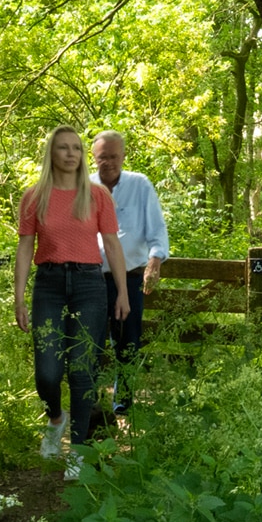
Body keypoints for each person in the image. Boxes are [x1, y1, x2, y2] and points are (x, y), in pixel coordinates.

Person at [11, 126, 127, 463]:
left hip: (90, 284)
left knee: (82, 370)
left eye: (76, 148)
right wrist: (18, 298)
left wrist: (122, 292)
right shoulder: (34, 197)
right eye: (63, 148)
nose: (71, 154)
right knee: (47, 372)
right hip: (49, 284)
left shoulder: (97, 195)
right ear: (52, 153)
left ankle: (77, 451)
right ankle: (55, 420)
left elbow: (113, 244)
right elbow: (24, 248)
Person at [92, 131, 168, 407]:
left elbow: (156, 228)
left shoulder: (140, 184)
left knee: (128, 341)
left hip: (131, 276)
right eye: (103, 157)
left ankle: (123, 401)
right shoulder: (85, 186)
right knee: (91, 339)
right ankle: (92, 401)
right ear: (94, 158)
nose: (108, 162)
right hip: (91, 278)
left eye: (113, 156)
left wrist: (155, 261)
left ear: (123, 156)